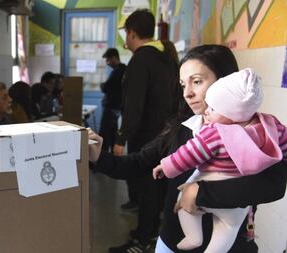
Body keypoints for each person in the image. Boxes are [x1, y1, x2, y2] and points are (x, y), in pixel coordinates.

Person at [88, 44, 287, 253]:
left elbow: (273, 186)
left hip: (231, 247)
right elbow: (137, 163)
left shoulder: (260, 134)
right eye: (183, 85)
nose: (188, 94)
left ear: (227, 81)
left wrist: (200, 192)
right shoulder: (182, 129)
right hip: (172, 244)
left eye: (197, 81)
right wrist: (99, 157)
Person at [153, 68, 287, 252]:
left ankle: (193, 236)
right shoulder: (271, 126)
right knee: (228, 229)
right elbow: (284, 145)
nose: (207, 111)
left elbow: (190, 153)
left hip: (208, 183)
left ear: (233, 113)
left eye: (214, 108)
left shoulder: (216, 132)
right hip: (237, 204)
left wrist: (167, 166)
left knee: (182, 201)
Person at [111, 9, 180, 251]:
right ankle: (150, 233)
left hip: (146, 139)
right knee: (157, 189)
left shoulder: (141, 60)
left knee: (146, 189)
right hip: (166, 137)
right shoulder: (167, 58)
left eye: (126, 34)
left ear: (131, 33)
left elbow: (134, 106)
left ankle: (142, 241)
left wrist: (121, 139)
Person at [99, 48, 126, 152]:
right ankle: (112, 158)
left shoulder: (117, 72)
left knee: (105, 134)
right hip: (117, 107)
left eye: (108, 60)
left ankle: (102, 161)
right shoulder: (124, 70)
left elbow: (106, 88)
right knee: (112, 133)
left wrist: (102, 85)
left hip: (111, 107)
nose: (107, 63)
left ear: (114, 58)